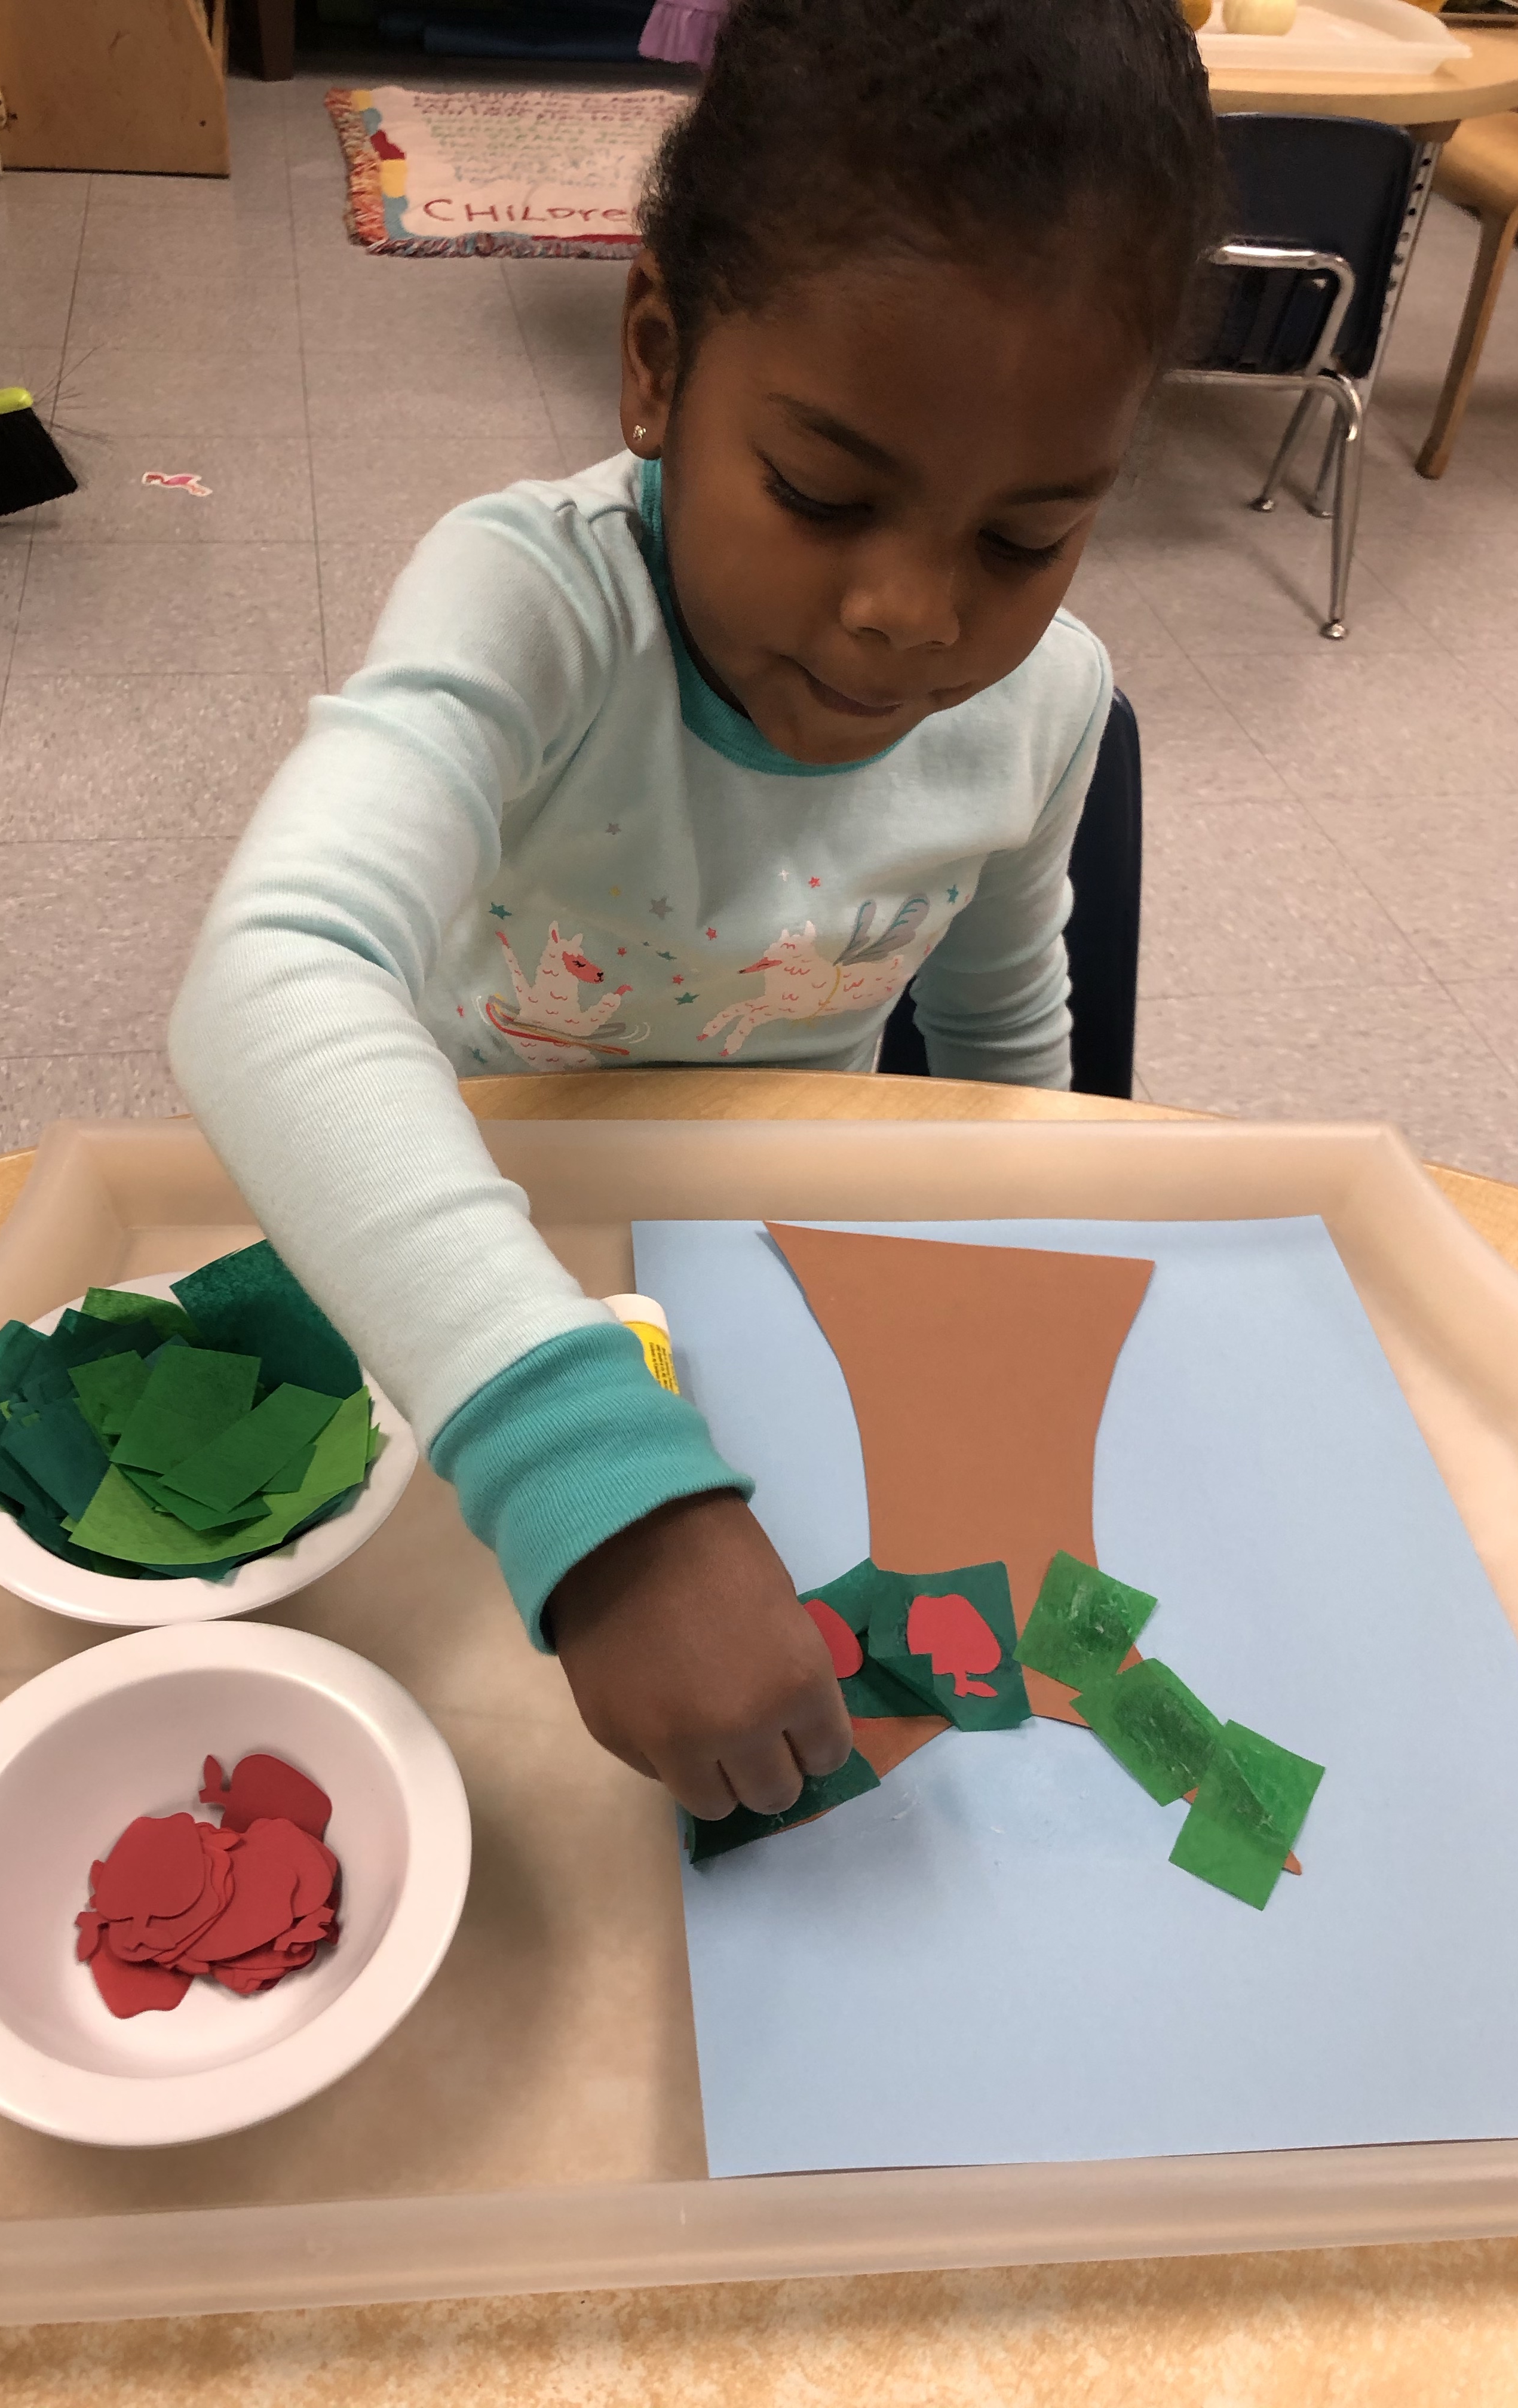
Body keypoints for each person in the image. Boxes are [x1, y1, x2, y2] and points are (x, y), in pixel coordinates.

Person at [170, 0, 1221, 1833]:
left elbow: (999, 1055)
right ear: (656, 359)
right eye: (824, 493)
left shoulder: (1044, 706)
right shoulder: (535, 610)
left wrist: (1027, 1321)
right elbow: (273, 976)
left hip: (773, 1284)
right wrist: (595, 1483)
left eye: (1022, 539)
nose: (911, 617)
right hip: (470, 1278)